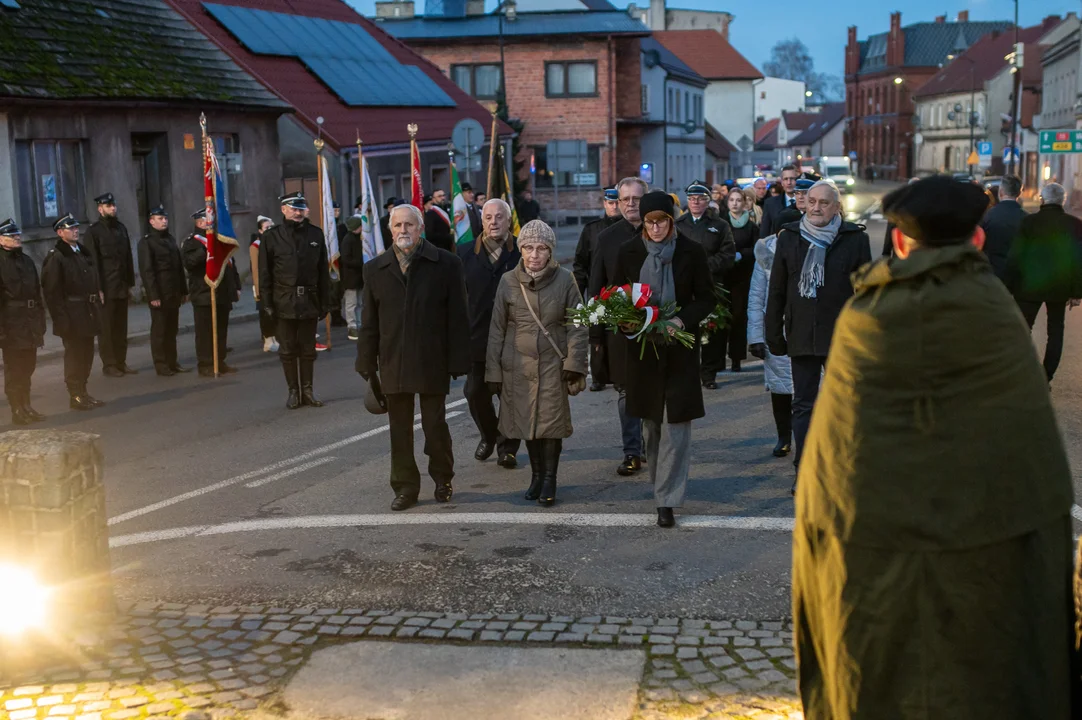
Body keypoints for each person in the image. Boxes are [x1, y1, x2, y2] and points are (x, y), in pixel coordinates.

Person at [793, 175, 1076, 719]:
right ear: (975, 241)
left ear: (899, 242)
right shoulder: (1000, 317)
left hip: (876, 559)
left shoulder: (865, 320)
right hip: (991, 560)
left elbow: (834, 462)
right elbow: (1032, 460)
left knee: (876, 680)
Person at [357, 203, 471, 511]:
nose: (403, 231)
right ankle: (405, 487)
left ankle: (443, 478)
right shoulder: (375, 269)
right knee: (399, 429)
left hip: (432, 357)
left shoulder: (446, 264)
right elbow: (369, 321)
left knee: (435, 425)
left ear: (420, 229)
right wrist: (366, 360)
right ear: (390, 230)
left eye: (409, 225)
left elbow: (458, 315)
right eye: (398, 226)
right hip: (393, 359)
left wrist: (460, 359)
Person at [613, 192, 713, 528]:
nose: (656, 227)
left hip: (680, 349)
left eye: (662, 220)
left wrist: (681, 320)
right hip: (644, 351)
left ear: (672, 220)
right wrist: (626, 318)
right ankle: (660, 485)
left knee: (677, 425)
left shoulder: (691, 252)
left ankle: (666, 500)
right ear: (642, 222)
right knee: (651, 425)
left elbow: (707, 298)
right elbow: (615, 295)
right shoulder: (628, 253)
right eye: (650, 221)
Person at [765, 181, 871, 491]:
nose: (816, 207)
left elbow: (865, 293)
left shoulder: (855, 239)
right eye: (811, 201)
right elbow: (777, 289)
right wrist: (773, 333)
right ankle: (806, 467)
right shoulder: (790, 238)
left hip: (842, 336)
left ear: (837, 207)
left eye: (824, 203)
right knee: (803, 406)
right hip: (802, 335)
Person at [486, 220, 587, 505]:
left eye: (541, 248)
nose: (534, 254)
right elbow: (497, 329)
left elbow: (578, 324)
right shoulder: (507, 281)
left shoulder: (566, 279)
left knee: (550, 424)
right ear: (520, 249)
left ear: (550, 251)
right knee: (526, 423)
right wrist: (493, 370)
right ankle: (536, 476)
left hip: (553, 365)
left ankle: (550, 480)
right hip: (516, 366)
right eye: (528, 247)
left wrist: (575, 363)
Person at [459, 198, 522, 468]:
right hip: (476, 336)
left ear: (508, 220)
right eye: (488, 217)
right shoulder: (464, 253)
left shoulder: (522, 251)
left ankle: (507, 448)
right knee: (475, 391)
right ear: (481, 220)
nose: (493, 222)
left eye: (499, 217)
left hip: (514, 338)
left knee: (510, 395)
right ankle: (489, 434)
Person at [591, 177, 647, 477]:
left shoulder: (659, 231)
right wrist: (595, 334)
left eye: (636, 199)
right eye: (625, 199)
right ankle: (632, 451)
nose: (629, 204)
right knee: (626, 390)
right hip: (619, 325)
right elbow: (597, 285)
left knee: (652, 389)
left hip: (656, 323)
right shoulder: (607, 237)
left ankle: (650, 444)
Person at [1004, 182, 1082, 385]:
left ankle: (1022, 373)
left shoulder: (1029, 223)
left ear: (1042, 199)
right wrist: (1076, 292)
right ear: (1062, 201)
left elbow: (1016, 256)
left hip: (1028, 287)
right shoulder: (1075, 225)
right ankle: (1046, 377)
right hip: (1059, 287)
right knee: (1055, 331)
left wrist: (1007, 286)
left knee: (1022, 329)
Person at [259, 192, 332, 409]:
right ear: (283, 209)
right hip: (284, 299)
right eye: (293, 208)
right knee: (288, 349)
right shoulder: (272, 236)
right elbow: (265, 273)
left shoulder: (315, 234)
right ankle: (293, 391)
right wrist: (267, 303)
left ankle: (308, 390)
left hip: (309, 298)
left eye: (301, 208)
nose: (298, 212)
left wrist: (325, 301)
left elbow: (322, 272)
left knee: (308, 349)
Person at [41, 214, 105, 411]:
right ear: (60, 233)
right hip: (71, 314)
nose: (76, 231)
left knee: (86, 354)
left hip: (87, 312)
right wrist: (61, 320)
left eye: (77, 228)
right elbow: (52, 292)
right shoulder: (57, 256)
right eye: (70, 229)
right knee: (75, 355)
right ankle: (75, 394)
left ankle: (83, 391)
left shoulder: (82, 252)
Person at [674, 181, 734, 387]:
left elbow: (728, 254)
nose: (696, 202)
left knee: (712, 330)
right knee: (688, 327)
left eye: (700, 198)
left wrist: (705, 266)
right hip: (685, 287)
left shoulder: (720, 225)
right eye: (692, 198)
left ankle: (709, 373)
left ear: (708, 201)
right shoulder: (679, 225)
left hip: (711, 284)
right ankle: (687, 372)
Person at [747, 218, 794, 457]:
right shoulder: (765, 255)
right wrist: (755, 337)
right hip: (774, 330)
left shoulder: (807, 249)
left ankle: (810, 440)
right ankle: (783, 437)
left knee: (811, 390)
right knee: (781, 387)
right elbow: (756, 297)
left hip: (805, 330)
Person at [572, 186, 622, 392]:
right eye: (611, 203)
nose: (614, 207)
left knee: (618, 335)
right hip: (597, 289)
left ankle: (620, 377)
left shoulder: (629, 229)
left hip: (620, 290)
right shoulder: (592, 229)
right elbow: (580, 263)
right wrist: (578, 293)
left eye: (617, 203)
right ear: (605, 204)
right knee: (597, 334)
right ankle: (599, 377)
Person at [183, 208, 241, 378]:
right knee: (205, 332)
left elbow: (231, 264)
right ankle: (206, 364)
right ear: (200, 223)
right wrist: (206, 250)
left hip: (222, 292)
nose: (213, 224)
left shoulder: (220, 240)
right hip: (204, 293)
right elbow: (189, 263)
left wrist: (236, 286)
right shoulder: (192, 242)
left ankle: (220, 360)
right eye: (209, 220)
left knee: (221, 330)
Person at [84, 192, 136, 377]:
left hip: (121, 286)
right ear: (100, 209)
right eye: (108, 206)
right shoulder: (94, 231)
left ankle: (121, 361)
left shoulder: (120, 228)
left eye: (113, 205)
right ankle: (110, 364)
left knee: (121, 327)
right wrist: (97, 288)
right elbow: (93, 262)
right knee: (106, 328)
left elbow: (127, 257)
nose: (113, 208)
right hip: (105, 287)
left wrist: (130, 283)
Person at [0, 218, 46, 424]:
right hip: (11, 323)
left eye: (17, 234)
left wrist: (40, 320)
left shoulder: (26, 261)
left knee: (28, 366)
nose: (17, 237)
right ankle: (16, 408)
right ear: (1, 239)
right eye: (11, 235)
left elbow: (37, 293)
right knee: (14, 368)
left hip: (30, 321)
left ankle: (27, 405)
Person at [137, 206, 189, 376]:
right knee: (160, 331)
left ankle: (172, 362)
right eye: (160, 219)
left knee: (172, 330)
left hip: (173, 292)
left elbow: (178, 268)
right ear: (151, 221)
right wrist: (153, 295)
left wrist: (183, 290)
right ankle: (161, 364)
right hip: (159, 293)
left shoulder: (170, 240)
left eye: (165, 218)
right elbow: (148, 271)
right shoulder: (147, 242)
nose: (164, 221)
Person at [719, 187, 759, 375]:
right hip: (723, 276)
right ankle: (718, 358)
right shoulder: (721, 224)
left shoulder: (751, 227)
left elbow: (756, 249)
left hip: (742, 277)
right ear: (727, 203)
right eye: (731, 200)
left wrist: (741, 255)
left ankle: (736, 357)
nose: (735, 203)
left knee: (738, 317)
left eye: (738, 200)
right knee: (720, 317)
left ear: (744, 203)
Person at [979, 175, 1025, 281]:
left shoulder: (988, 216)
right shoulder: (1028, 219)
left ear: (1001, 192)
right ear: (1019, 193)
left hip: (994, 274)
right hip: (1019, 276)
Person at [250, 216, 279, 352]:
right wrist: (258, 288)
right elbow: (256, 269)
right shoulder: (256, 246)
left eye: (271, 227)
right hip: (263, 284)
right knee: (265, 312)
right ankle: (267, 338)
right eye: (267, 228)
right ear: (260, 231)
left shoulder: (276, 242)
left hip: (276, 284)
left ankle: (276, 337)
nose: (270, 230)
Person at [339, 215, 365, 341]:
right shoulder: (348, 240)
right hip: (351, 277)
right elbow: (345, 259)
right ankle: (352, 325)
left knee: (360, 302)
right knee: (351, 303)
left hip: (359, 276)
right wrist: (360, 263)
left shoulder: (359, 239)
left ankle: (359, 323)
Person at [760, 166, 799, 237]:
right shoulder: (770, 203)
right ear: (782, 182)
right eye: (785, 179)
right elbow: (764, 232)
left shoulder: (805, 202)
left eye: (792, 179)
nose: (789, 182)